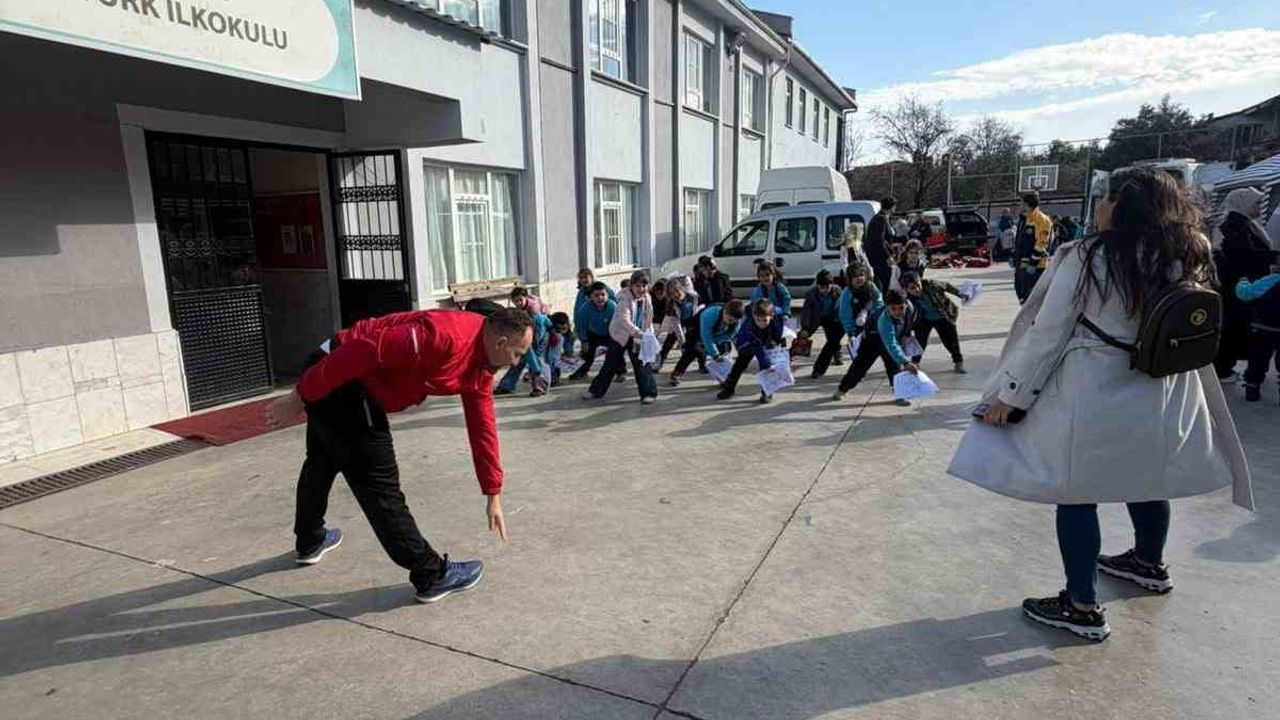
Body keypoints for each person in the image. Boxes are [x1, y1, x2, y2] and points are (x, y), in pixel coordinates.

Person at [949, 169, 1253, 642]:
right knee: (1150, 478)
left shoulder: (1089, 256)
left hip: (1095, 389)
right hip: (1164, 385)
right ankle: (1149, 563)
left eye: (1106, 200)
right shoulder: (1190, 249)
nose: (1100, 208)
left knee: (1076, 492)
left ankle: (1081, 604)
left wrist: (1009, 395)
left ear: (1124, 206)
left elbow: (1047, 334)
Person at [265, 308, 532, 604]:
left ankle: (310, 539)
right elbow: (363, 350)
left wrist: (492, 491)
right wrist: (299, 396)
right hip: (343, 375)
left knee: (322, 460)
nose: (517, 362)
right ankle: (430, 574)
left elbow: (483, 425)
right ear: (500, 342)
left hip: (339, 376)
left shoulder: (481, 366)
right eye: (518, 354)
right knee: (381, 489)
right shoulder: (443, 336)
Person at [1212, 198, 1278, 381]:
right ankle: (1223, 370)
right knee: (1233, 328)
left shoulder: (1244, 223)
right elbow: (1244, 255)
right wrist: (1274, 258)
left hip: (1242, 284)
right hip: (1237, 286)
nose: (1259, 206)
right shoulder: (1234, 224)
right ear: (1242, 202)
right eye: (1255, 202)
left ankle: (1227, 368)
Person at [832, 288, 917, 406]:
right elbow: (891, 344)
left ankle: (900, 394)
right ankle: (842, 389)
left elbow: (909, 324)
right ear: (887, 307)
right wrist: (905, 362)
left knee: (895, 369)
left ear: (906, 304)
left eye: (901, 308)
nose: (898, 312)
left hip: (892, 339)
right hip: (872, 340)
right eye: (893, 309)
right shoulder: (884, 320)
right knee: (859, 368)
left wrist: (905, 335)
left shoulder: (910, 309)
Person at [584, 270, 658, 404]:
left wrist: (649, 334)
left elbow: (648, 318)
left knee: (642, 363)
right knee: (610, 364)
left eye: (644, 285)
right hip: (620, 335)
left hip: (638, 335)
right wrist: (640, 333)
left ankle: (648, 393)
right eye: (637, 286)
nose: (641, 289)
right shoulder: (624, 299)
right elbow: (624, 320)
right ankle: (596, 390)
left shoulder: (647, 297)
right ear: (631, 286)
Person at [817, 263, 884, 380]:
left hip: (867, 320)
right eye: (855, 276)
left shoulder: (871, 287)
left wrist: (872, 315)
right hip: (846, 323)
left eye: (862, 275)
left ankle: (859, 372)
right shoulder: (847, 293)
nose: (859, 279)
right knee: (833, 343)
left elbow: (878, 301)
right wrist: (850, 331)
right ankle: (818, 370)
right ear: (849, 279)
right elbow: (845, 313)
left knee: (870, 348)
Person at [719, 298, 786, 403]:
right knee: (739, 364)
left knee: (766, 365)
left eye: (764, 320)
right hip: (750, 341)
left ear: (771, 316)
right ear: (753, 316)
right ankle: (729, 388)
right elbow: (740, 340)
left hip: (767, 341)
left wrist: (774, 341)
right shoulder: (748, 324)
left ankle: (767, 392)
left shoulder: (777, 316)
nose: (761, 323)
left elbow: (779, 330)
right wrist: (743, 348)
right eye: (758, 320)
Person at [899, 271, 966, 373]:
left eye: (918, 285)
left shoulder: (931, 285)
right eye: (912, 288)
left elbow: (947, 286)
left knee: (950, 341)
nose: (917, 289)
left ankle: (958, 362)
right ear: (906, 289)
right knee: (920, 341)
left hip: (943, 316)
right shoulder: (906, 300)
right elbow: (907, 318)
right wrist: (906, 333)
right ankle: (915, 363)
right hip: (924, 320)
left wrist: (959, 294)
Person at [670, 299, 746, 385]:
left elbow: (729, 335)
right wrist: (715, 355)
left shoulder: (737, 323)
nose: (729, 322)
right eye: (728, 319)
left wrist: (717, 344)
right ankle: (677, 372)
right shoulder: (709, 314)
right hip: (697, 329)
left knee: (724, 351)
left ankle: (723, 377)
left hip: (717, 333)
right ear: (724, 310)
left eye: (732, 321)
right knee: (693, 350)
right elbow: (706, 337)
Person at [1236, 270, 1280, 403]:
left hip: (1263, 327)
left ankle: (1252, 388)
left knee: (1257, 359)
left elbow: (1245, 294)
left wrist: (1242, 281)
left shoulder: (1272, 279)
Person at [495, 310, 554, 397]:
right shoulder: (516, 330)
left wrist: (536, 371)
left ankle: (540, 387)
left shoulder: (536, 324)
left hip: (540, 340)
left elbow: (532, 357)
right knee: (520, 361)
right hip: (531, 336)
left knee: (539, 361)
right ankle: (506, 386)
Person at [799, 270, 844, 378]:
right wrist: (805, 327)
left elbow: (843, 307)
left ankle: (836, 355)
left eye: (826, 287)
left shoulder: (838, 291)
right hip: (815, 318)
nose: (824, 290)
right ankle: (793, 357)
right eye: (821, 287)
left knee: (833, 339)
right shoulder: (811, 294)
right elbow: (806, 312)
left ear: (831, 284)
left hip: (832, 318)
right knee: (802, 335)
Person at [569, 282, 619, 381]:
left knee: (616, 351)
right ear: (590, 297)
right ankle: (582, 372)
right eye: (596, 295)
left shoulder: (613, 307)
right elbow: (580, 325)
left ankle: (620, 372)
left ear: (607, 295)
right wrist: (584, 341)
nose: (600, 297)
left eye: (603, 294)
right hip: (592, 333)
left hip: (610, 332)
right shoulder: (585, 309)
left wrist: (616, 338)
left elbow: (617, 324)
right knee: (587, 354)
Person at [1013, 192, 1052, 303]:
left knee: (1032, 300)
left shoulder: (1041, 220)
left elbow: (1041, 244)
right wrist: (1014, 255)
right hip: (1021, 265)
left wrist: (1033, 263)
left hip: (1034, 267)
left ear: (1027, 204)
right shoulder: (1024, 219)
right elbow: (1021, 241)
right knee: (1022, 296)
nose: (1020, 206)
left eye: (1021, 203)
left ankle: (1034, 320)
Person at [749, 262, 792, 332]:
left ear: (773, 275)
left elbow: (787, 301)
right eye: (762, 276)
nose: (765, 278)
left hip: (778, 315)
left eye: (767, 275)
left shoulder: (779, 287)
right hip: (764, 318)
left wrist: (786, 314)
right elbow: (754, 303)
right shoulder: (758, 290)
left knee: (784, 332)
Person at [865, 197, 896, 292]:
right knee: (884, 285)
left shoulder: (878, 217)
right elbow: (879, 240)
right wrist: (888, 256)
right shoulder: (881, 219)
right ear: (892, 207)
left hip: (878, 259)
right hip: (880, 260)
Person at [548, 311, 573, 386]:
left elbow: (568, 352)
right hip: (550, 361)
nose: (562, 330)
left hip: (555, 361)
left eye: (564, 327)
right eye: (559, 328)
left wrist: (565, 356)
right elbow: (552, 355)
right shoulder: (556, 336)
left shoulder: (567, 336)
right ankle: (552, 377)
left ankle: (554, 378)